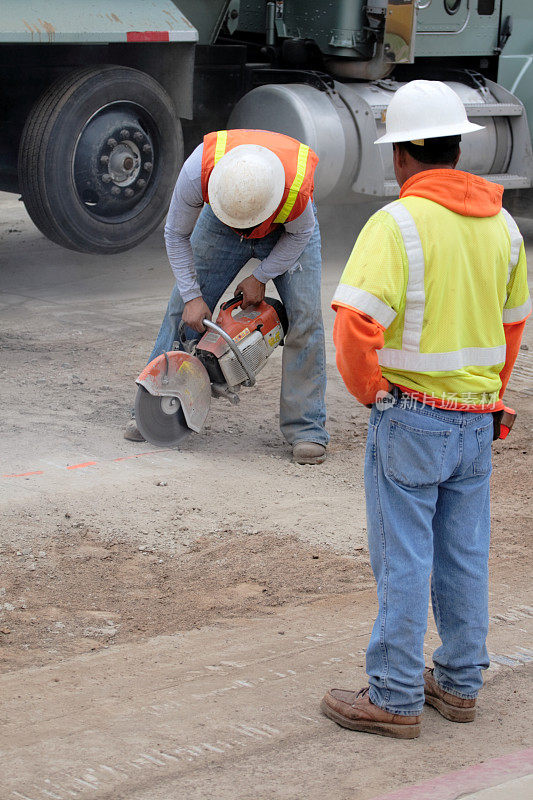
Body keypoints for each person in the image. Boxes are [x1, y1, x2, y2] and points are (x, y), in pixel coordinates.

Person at [321, 80, 531, 738]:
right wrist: (487, 393)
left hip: (410, 417)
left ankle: (393, 695)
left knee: (404, 557)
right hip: (474, 419)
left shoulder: (397, 223)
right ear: (456, 145)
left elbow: (356, 321)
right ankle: (460, 684)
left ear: (401, 155)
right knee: (464, 553)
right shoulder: (501, 225)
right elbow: (512, 325)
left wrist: (369, 392)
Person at [125, 129, 328, 464]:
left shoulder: (294, 191)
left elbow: (301, 234)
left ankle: (306, 428)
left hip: (283, 230)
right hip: (220, 223)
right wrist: (193, 296)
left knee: (306, 318)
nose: (246, 233)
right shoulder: (197, 173)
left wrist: (261, 276)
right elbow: (175, 233)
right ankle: (154, 402)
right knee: (182, 310)